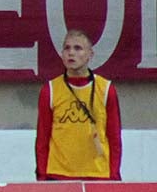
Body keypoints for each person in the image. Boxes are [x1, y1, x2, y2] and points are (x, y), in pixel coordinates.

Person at [35, 30, 122, 181]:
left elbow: (114, 137)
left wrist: (113, 175)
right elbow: (42, 137)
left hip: (98, 174)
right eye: (67, 48)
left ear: (90, 54)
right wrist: (42, 175)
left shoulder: (106, 89)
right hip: (58, 174)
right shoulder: (50, 90)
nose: (71, 53)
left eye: (78, 48)